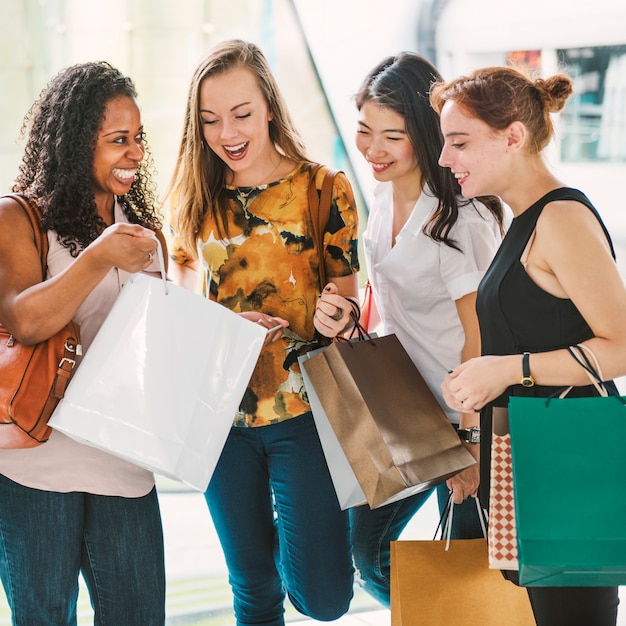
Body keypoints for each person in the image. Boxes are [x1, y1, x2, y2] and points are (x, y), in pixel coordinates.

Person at [166, 39, 359, 626]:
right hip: (220, 417)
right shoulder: (193, 199)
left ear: (269, 107)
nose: (226, 132)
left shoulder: (325, 188)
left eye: (241, 114)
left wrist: (336, 315)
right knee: (251, 587)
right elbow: (177, 308)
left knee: (325, 599)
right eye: (210, 120)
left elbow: (348, 300)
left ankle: (287, 533)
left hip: (304, 415)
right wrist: (222, 327)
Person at [432, 66, 626, 625]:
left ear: (513, 137)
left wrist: (507, 370)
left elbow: (622, 345)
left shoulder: (560, 218)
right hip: (540, 456)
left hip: (567, 461)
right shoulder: (524, 220)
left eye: (460, 142)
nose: (446, 159)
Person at [0, 61, 166, 625]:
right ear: (74, 145)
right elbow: (24, 321)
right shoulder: (20, 218)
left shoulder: (144, 235)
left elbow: (154, 344)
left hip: (124, 465)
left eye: (138, 138)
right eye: (117, 140)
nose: (135, 154)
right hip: (38, 467)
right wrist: (97, 257)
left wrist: (225, 330)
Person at [349, 52, 505, 607]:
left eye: (392, 135)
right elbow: (390, 303)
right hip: (408, 411)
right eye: (365, 131)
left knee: (468, 573)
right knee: (368, 554)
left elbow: (479, 337)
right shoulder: (381, 194)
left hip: (467, 416)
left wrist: (468, 442)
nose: (373, 150)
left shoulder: (461, 216)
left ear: (425, 133)